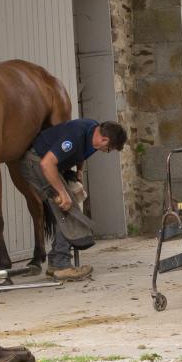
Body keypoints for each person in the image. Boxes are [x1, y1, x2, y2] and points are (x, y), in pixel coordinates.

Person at [21, 118, 127, 281]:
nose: (106, 151)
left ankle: (57, 260)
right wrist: (62, 193)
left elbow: (82, 153)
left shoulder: (94, 131)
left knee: (69, 202)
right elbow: (46, 164)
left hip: (52, 165)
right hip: (35, 162)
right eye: (108, 149)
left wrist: (79, 172)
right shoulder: (74, 136)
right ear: (104, 139)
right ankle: (60, 264)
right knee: (67, 206)